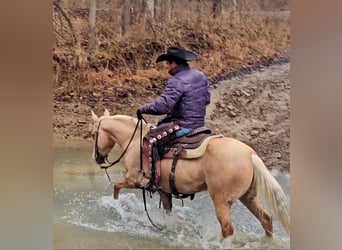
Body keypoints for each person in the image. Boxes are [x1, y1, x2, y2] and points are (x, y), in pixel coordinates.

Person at [135, 46, 210, 188]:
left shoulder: (176, 80)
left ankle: (148, 178)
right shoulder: (201, 76)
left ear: (174, 64)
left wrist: (143, 108)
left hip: (183, 125)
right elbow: (206, 100)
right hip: (200, 124)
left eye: (168, 64)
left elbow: (162, 106)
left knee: (149, 140)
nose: (167, 67)